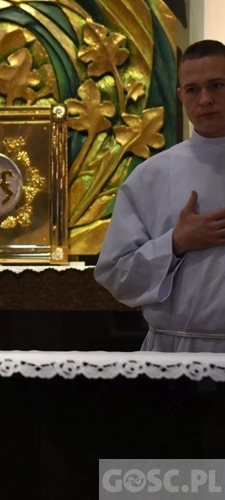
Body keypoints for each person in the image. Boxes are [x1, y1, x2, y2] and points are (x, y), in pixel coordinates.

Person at [94, 39, 225, 352]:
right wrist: (176, 243)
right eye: (192, 89)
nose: (205, 99)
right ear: (180, 96)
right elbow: (115, 275)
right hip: (176, 351)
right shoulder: (151, 176)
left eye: (217, 85)